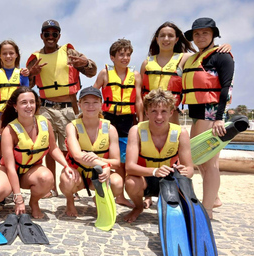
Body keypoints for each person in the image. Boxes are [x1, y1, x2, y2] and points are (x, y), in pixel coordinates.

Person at [27, 19, 97, 198]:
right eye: (47, 34)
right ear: (41, 36)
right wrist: (31, 75)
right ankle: (51, 187)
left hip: (68, 107)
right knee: (47, 146)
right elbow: (27, 83)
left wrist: (85, 63)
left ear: (59, 35)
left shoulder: (70, 52)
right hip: (46, 107)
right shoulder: (35, 58)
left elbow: (92, 71)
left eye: (54, 34)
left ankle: (70, 183)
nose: (51, 37)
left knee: (68, 146)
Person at [0, 87, 78, 219]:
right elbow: (10, 167)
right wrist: (18, 198)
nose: (29, 106)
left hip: (30, 169)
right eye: (24, 103)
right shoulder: (9, 130)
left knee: (47, 178)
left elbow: (53, 148)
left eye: (32, 102)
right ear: (15, 106)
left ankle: (33, 203)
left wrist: (66, 166)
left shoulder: (45, 123)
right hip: (8, 169)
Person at [182, 17, 234, 219]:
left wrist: (220, 118)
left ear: (213, 35)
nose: (200, 36)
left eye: (205, 33)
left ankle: (208, 211)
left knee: (209, 163)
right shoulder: (195, 57)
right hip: (197, 114)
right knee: (198, 159)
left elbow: (225, 87)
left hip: (211, 114)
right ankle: (215, 198)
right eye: (197, 34)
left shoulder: (222, 57)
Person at [124, 88, 194, 223]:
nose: (159, 117)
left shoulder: (181, 133)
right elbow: (129, 167)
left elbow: (190, 169)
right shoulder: (136, 130)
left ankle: (173, 208)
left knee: (185, 182)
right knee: (131, 182)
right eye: (154, 111)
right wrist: (155, 171)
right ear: (147, 112)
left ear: (171, 113)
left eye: (164, 112)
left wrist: (185, 172)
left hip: (170, 180)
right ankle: (138, 207)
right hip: (146, 178)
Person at [141, 22, 231, 125]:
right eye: (162, 36)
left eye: (170, 36)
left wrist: (224, 46)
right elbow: (139, 94)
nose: (166, 39)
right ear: (157, 39)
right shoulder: (146, 63)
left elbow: (206, 52)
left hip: (171, 115)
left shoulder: (186, 58)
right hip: (148, 115)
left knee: (172, 140)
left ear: (177, 39)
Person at [93, 38, 143, 208]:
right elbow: (93, 94)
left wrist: (141, 122)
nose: (125, 58)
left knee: (122, 160)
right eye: (121, 54)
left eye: (128, 55)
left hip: (127, 121)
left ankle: (120, 195)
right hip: (108, 119)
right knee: (106, 157)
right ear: (112, 57)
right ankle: (105, 192)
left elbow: (138, 101)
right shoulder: (105, 74)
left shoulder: (135, 75)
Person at [59, 87, 122, 217]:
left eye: (95, 102)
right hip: (79, 173)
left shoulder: (110, 129)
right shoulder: (72, 126)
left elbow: (116, 163)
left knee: (118, 182)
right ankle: (70, 201)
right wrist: (104, 164)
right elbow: (76, 155)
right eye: (86, 102)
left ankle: (98, 199)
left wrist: (103, 164)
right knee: (67, 178)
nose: (90, 106)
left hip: (98, 175)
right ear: (79, 105)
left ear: (101, 105)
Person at [0, 40, 29, 162]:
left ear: (16, 55)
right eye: (4, 53)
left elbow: (27, 100)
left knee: (17, 149)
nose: (8, 56)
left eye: (11, 53)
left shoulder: (23, 76)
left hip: (17, 117)